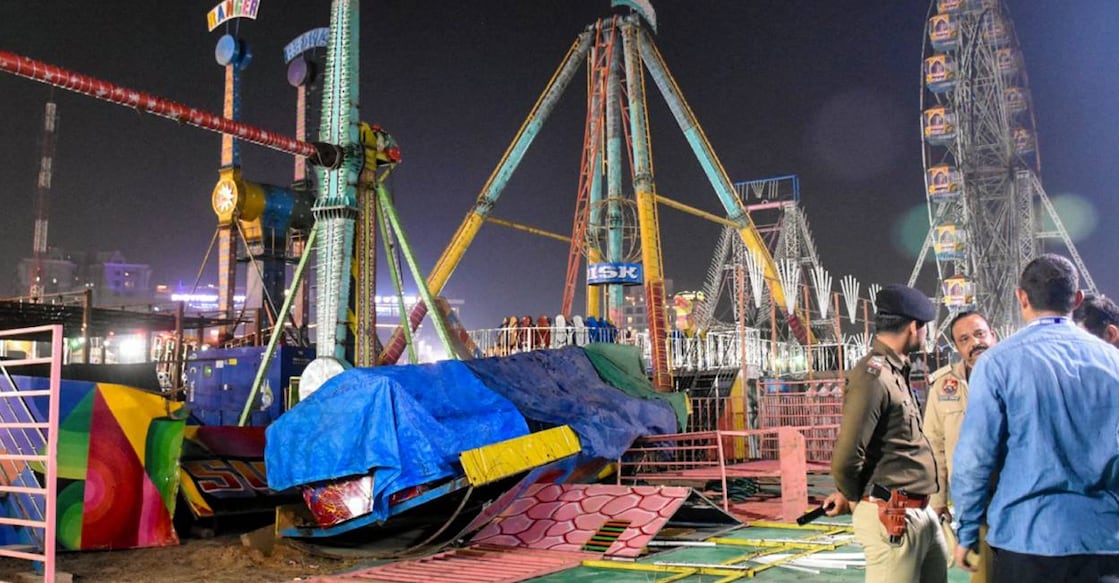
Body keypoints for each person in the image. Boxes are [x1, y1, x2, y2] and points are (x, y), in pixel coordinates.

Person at [951, 254, 1119, 581]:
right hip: (1103, 539)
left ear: (1022, 297)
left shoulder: (998, 363)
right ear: (1077, 299)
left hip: (1026, 539)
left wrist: (967, 530)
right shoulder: (1113, 361)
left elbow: (974, 457)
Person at [825, 283, 949, 582]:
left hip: (920, 512)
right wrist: (858, 498)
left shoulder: (895, 372)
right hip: (892, 515)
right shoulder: (873, 377)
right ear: (914, 327)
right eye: (925, 329)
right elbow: (845, 457)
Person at [923, 310, 997, 582]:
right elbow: (934, 445)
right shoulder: (944, 385)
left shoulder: (1016, 374)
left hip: (1015, 495)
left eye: (980, 334)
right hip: (973, 499)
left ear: (993, 335)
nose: (974, 342)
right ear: (957, 347)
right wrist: (938, 500)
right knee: (983, 573)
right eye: (964, 339)